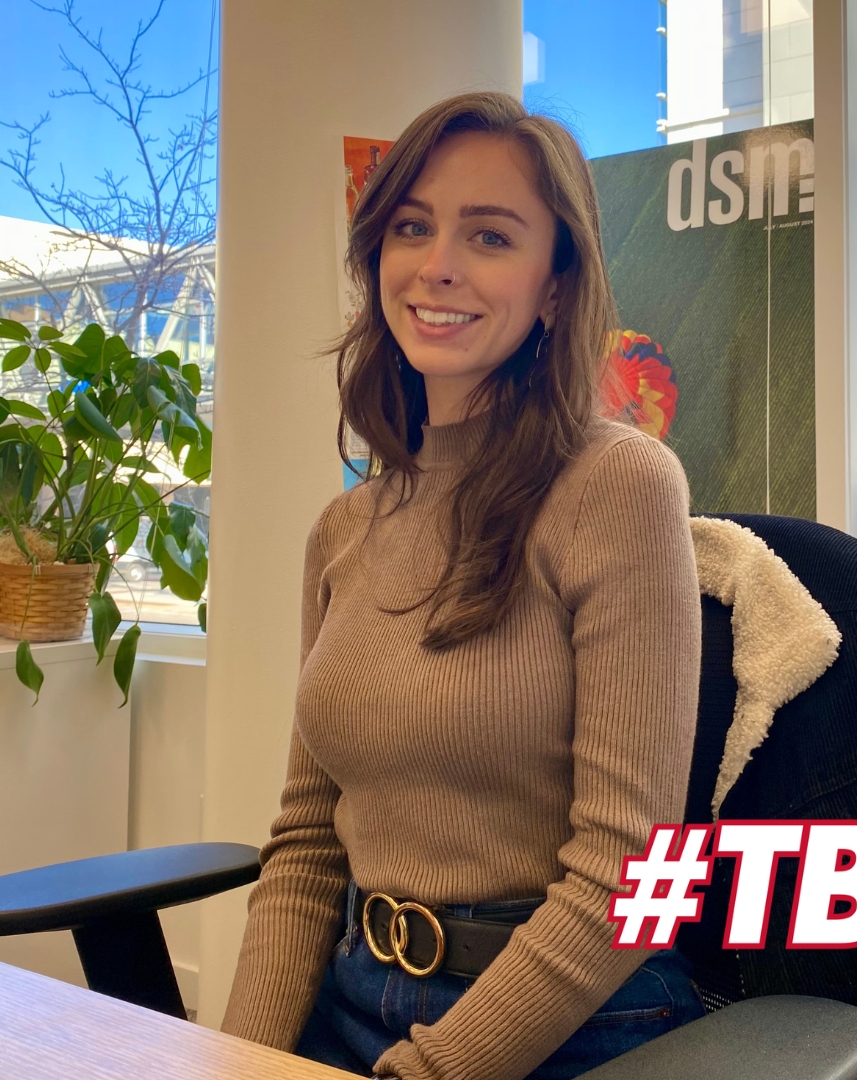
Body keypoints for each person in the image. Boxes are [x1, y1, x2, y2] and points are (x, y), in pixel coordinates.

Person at [220, 91, 703, 1080]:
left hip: (565, 1026)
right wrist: (230, 1061)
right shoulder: (345, 530)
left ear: (556, 287)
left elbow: (631, 874)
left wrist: (430, 1072)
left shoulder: (619, 484)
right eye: (412, 227)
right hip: (352, 997)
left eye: (489, 235)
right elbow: (309, 847)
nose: (438, 263)